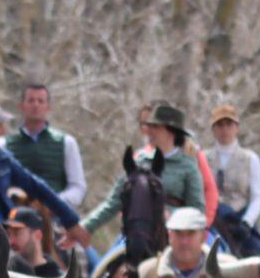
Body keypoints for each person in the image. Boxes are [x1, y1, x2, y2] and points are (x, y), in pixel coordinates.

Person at [0, 98, 87, 242]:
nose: (2, 131)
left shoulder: (1, 159)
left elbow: (37, 186)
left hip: (3, 236)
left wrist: (71, 220)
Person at [82, 101, 205, 246]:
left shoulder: (188, 166)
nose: (149, 131)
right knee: (108, 264)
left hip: (177, 238)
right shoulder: (139, 162)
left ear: (171, 131)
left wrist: (173, 217)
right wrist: (86, 226)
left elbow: (197, 209)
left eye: (155, 126)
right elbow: (114, 202)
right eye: (149, 126)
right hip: (137, 233)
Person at [2, 81, 86, 209]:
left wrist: (54, 203)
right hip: (17, 216)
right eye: (31, 101)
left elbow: (77, 187)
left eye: (40, 101)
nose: (36, 105)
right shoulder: (4, 144)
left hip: (57, 216)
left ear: (48, 107)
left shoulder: (66, 143)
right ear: (21, 106)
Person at [205, 104, 260, 254]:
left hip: (240, 220)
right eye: (220, 125)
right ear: (213, 129)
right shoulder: (203, 158)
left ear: (237, 128)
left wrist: (247, 222)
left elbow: (257, 197)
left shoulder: (250, 158)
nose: (225, 130)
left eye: (229, 124)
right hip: (212, 221)